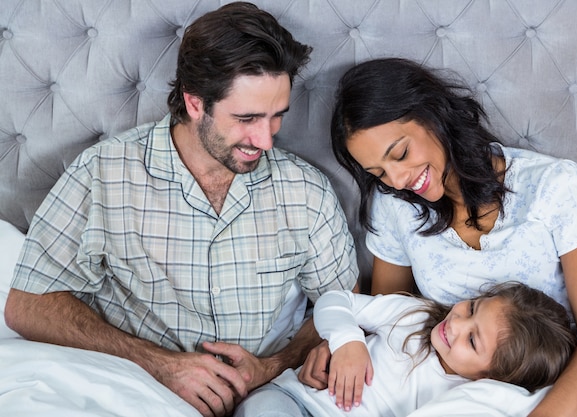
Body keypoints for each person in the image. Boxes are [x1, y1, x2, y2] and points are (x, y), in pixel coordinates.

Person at [4, 3, 358, 417]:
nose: (265, 140)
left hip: (267, 397)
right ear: (194, 103)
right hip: (135, 392)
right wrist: (159, 365)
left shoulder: (305, 189)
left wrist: (271, 366)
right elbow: (28, 304)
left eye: (276, 116)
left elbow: (343, 303)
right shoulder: (105, 171)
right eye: (246, 118)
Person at [297, 57, 577, 417]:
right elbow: (385, 309)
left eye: (401, 153)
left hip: (563, 383)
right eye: (378, 172)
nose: (398, 179)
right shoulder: (394, 204)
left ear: (432, 115)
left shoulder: (549, 185)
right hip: (457, 395)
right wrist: (344, 341)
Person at [235, 282, 577, 417]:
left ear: (491, 375)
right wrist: (347, 341)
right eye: (472, 307)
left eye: (472, 341)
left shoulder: (465, 400)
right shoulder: (414, 317)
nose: (456, 324)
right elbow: (335, 300)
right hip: (296, 401)